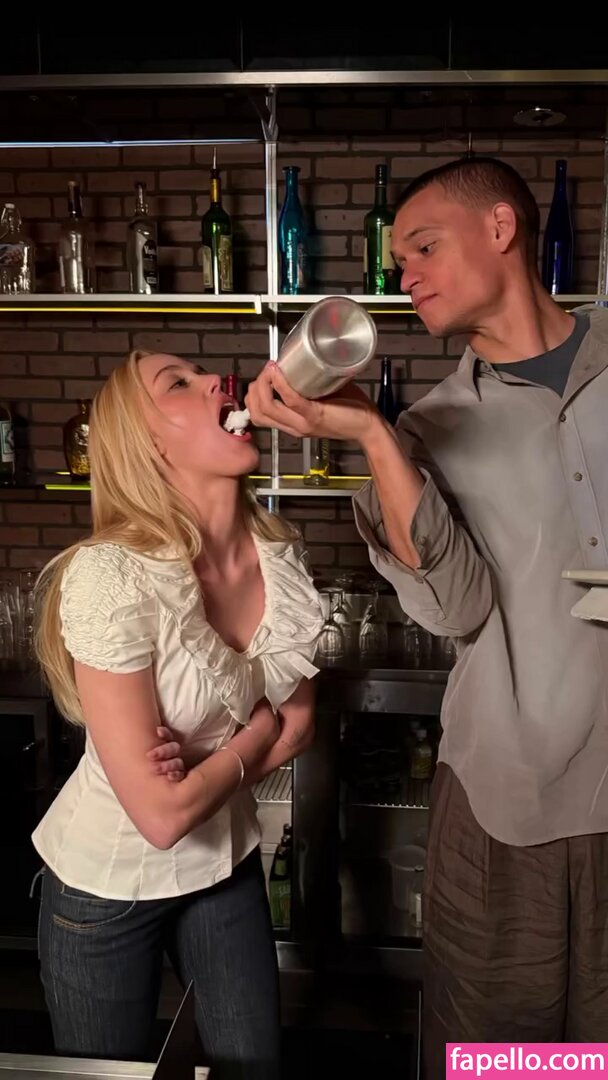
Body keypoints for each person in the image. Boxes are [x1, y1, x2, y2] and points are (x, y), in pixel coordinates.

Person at [245, 157, 608, 1074]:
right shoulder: (427, 431)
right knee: (502, 1060)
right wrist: (372, 435)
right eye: (399, 257)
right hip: (509, 801)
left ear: (500, 229)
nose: (402, 272)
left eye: (423, 247)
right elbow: (457, 606)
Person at [33, 349, 323, 1079]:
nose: (218, 382)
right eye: (179, 384)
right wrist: (254, 735)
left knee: (251, 1068)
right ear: (148, 445)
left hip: (225, 860)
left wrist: (207, 768)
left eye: (205, 374)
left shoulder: (278, 552)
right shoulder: (111, 574)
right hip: (106, 884)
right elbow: (160, 818)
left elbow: (302, 726)